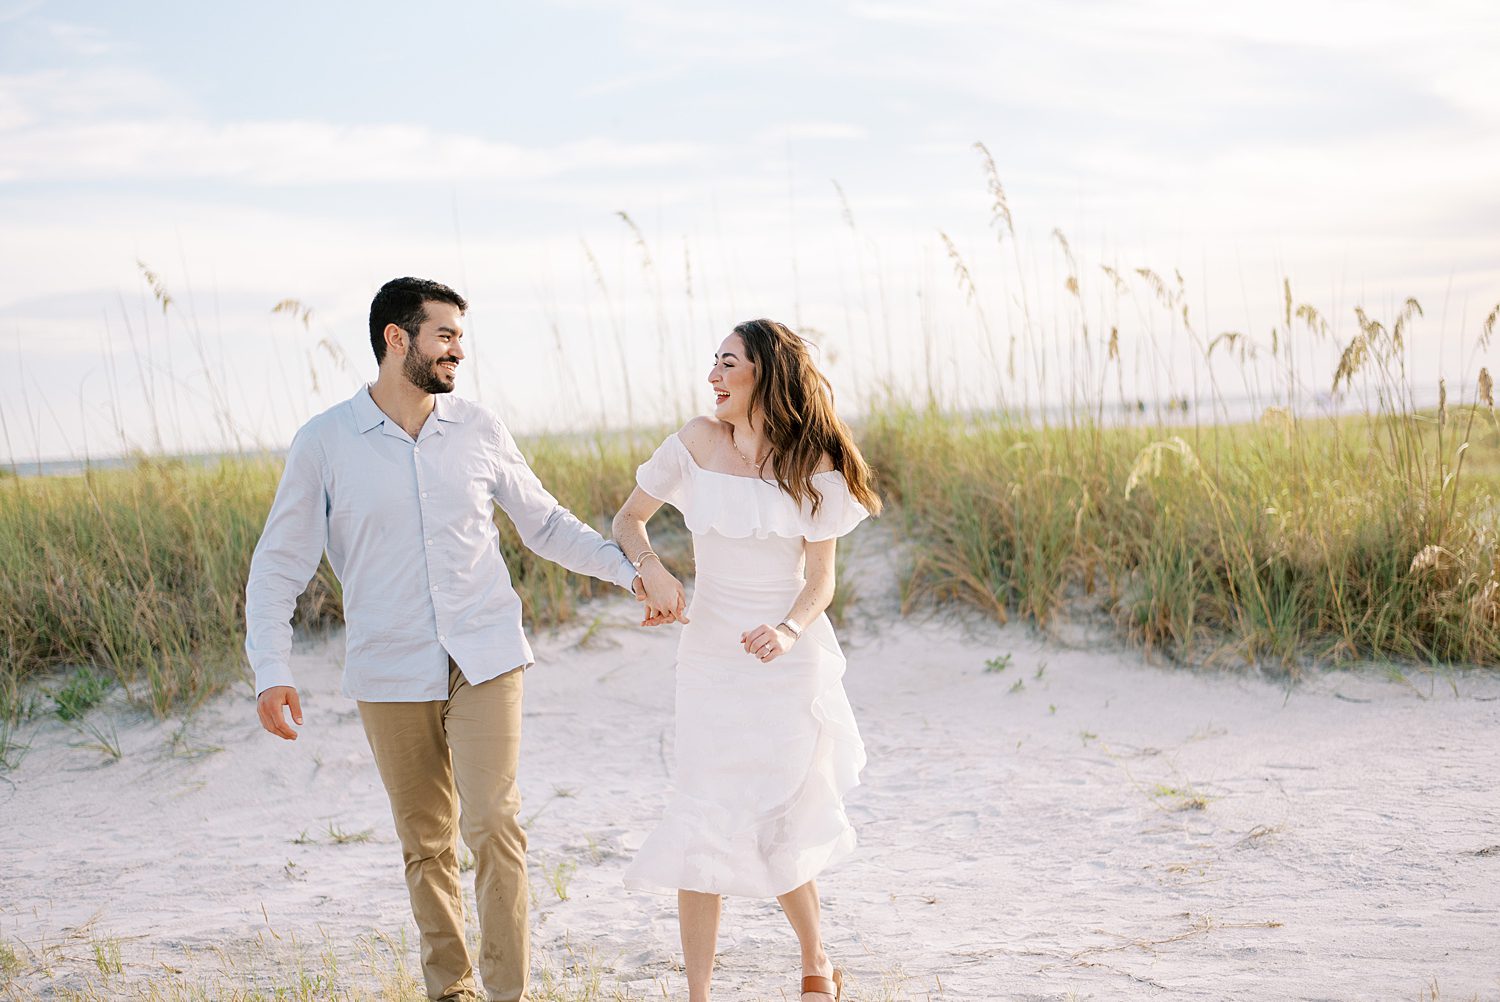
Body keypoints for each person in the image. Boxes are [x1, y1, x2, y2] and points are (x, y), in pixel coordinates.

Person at [246, 277, 646, 1002]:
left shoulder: (479, 429)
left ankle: (507, 993)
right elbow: (278, 565)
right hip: (389, 667)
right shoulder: (325, 442)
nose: (460, 349)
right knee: (426, 841)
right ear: (397, 339)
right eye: (446, 335)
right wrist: (270, 668)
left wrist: (630, 575)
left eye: (461, 335)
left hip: (486, 653)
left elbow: (546, 524)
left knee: (494, 822)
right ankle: (450, 990)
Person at [612, 318, 881, 1002]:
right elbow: (627, 520)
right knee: (700, 811)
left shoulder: (814, 461)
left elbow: (819, 580)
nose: (713, 376)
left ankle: (816, 963)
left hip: (785, 660)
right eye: (713, 362)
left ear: (764, 372)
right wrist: (655, 571)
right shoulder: (696, 443)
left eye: (728, 363)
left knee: (779, 813)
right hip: (709, 654)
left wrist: (789, 631)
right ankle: (699, 994)